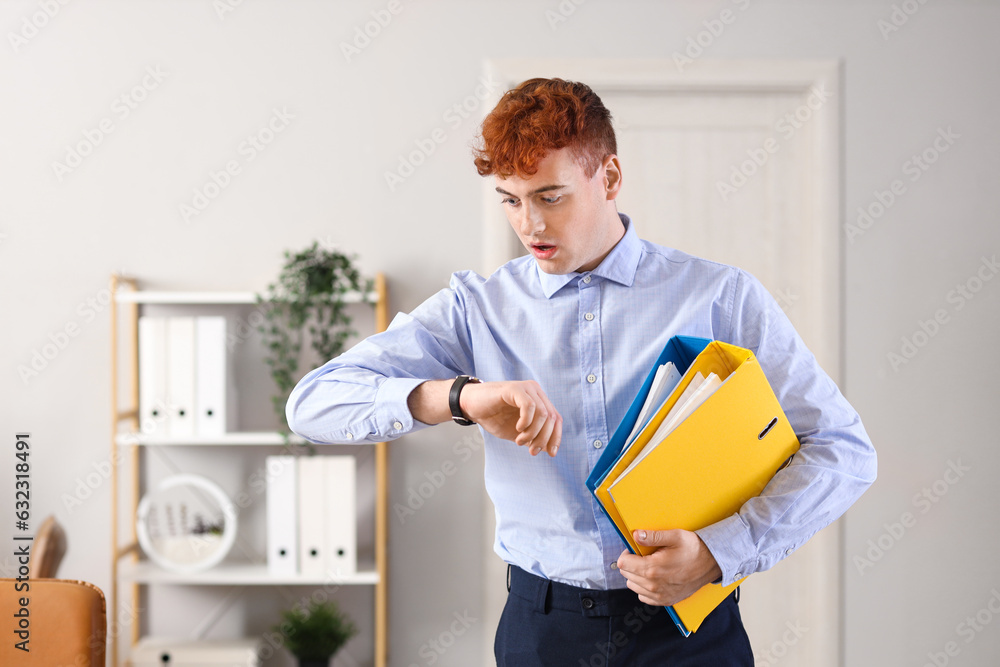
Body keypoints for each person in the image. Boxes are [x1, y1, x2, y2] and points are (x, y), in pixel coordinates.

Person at [286, 78, 877, 665]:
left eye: (550, 196)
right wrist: (461, 397)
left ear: (609, 178)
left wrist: (721, 552)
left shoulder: (720, 296)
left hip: (688, 630)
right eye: (511, 200)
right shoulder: (477, 307)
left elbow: (842, 449)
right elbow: (312, 405)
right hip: (543, 633)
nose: (530, 226)